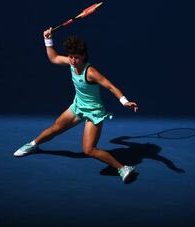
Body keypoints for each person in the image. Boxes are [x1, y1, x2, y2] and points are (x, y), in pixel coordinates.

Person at [14, 27, 139, 183]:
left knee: (88, 150)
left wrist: (124, 101)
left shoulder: (91, 72)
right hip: (77, 106)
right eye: (71, 57)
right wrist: (48, 39)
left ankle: (123, 168)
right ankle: (33, 145)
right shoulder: (71, 62)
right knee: (55, 129)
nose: (72, 61)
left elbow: (110, 86)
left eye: (76, 58)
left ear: (84, 56)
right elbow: (53, 58)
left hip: (94, 112)